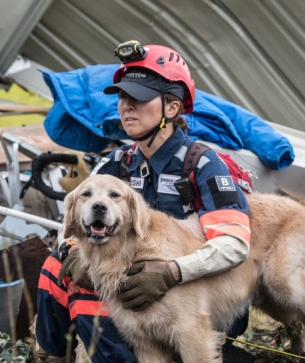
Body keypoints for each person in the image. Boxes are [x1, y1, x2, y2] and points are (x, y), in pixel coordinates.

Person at [35, 41, 253, 362]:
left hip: (196, 299)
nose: (126, 106)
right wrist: (72, 248)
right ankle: (55, 356)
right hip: (130, 288)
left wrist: (171, 272)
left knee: (95, 295)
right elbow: (76, 215)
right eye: (122, 96)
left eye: (138, 97)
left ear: (172, 108)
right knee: (56, 266)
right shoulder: (118, 163)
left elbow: (234, 246)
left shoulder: (202, 163)